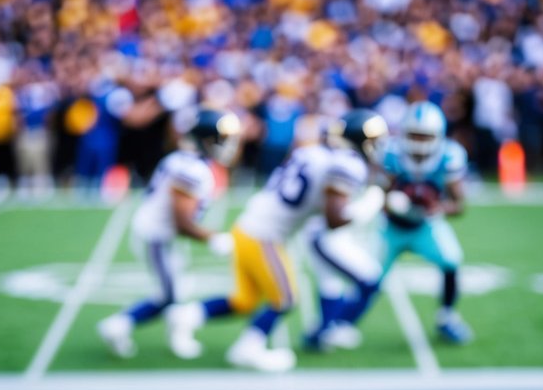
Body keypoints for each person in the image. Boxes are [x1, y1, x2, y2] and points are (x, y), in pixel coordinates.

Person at [165, 108, 389, 371]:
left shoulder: (311, 152)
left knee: (244, 301)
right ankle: (248, 348)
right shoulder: (346, 164)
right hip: (264, 236)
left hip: (249, 226)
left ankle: (186, 316)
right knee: (286, 297)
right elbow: (334, 219)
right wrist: (370, 204)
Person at [96, 108, 241, 359]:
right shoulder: (192, 170)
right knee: (170, 295)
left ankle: (172, 335)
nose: (227, 144)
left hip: (157, 231)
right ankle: (118, 326)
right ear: (207, 140)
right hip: (157, 236)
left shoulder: (183, 160)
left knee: (176, 288)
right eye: (222, 138)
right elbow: (182, 222)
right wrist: (214, 238)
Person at [378, 100, 473, 344]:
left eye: (425, 136)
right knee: (367, 275)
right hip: (390, 227)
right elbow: (377, 194)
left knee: (451, 260)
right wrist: (389, 202)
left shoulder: (450, 156)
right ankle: (340, 323)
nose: (419, 142)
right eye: (415, 135)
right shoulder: (390, 152)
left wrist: (438, 207)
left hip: (425, 226)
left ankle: (447, 317)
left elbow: (459, 205)